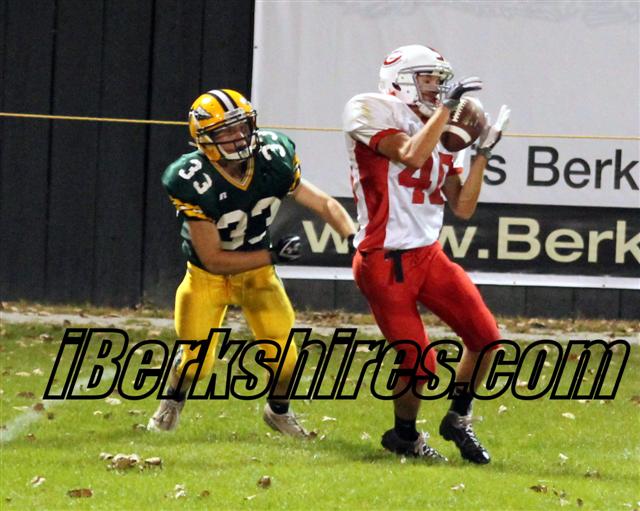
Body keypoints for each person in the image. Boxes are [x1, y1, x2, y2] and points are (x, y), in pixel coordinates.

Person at [149, 88, 356, 437]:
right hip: (206, 277)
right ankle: (172, 399)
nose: (238, 136)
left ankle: (278, 412)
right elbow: (214, 259)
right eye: (226, 131)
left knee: (286, 359)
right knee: (197, 364)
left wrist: (353, 237)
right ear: (204, 139)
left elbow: (324, 203)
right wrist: (273, 254)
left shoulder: (273, 157)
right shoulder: (191, 179)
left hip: (257, 275)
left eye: (241, 126)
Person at [343, 45, 510, 463]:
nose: (436, 87)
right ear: (400, 79)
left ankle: (458, 418)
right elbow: (410, 154)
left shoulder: (441, 126)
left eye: (440, 80)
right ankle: (403, 435)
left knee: (487, 339)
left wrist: (482, 153)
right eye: (428, 79)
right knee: (421, 364)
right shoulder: (368, 108)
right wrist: (446, 112)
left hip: (428, 254)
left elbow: (463, 207)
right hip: (383, 259)